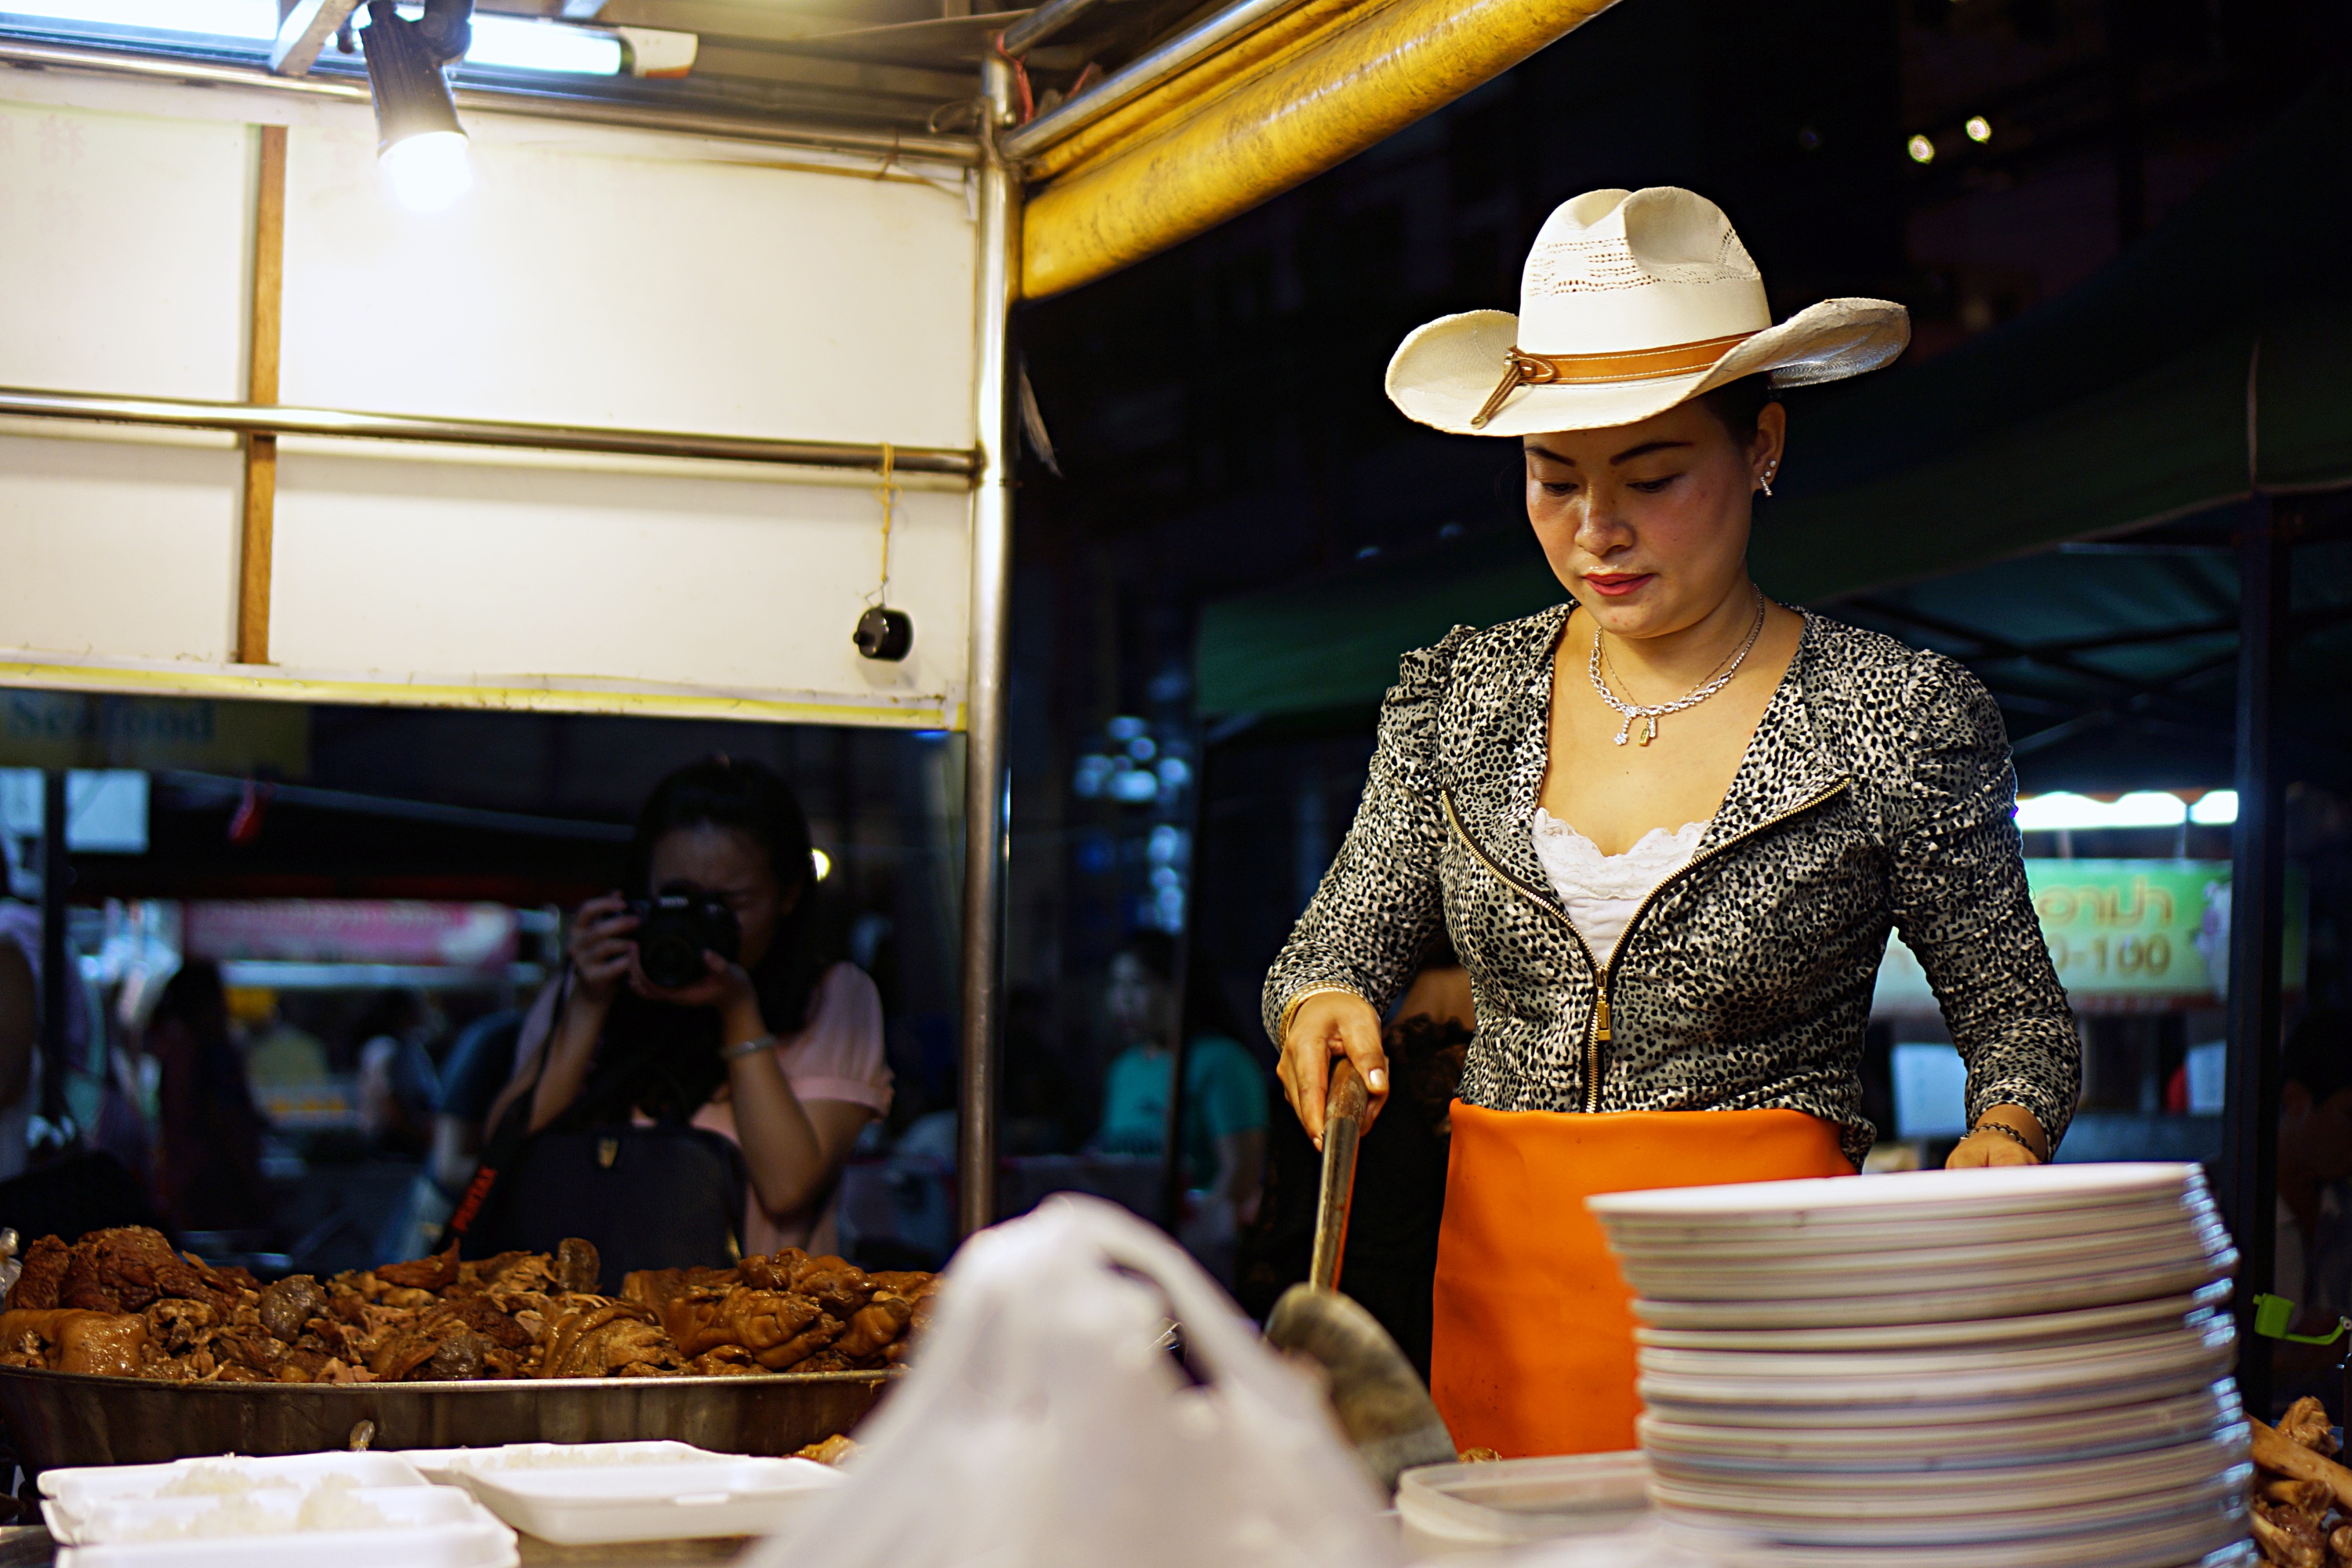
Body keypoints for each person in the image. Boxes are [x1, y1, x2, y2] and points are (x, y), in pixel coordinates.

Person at [1263, 187, 2081, 1457]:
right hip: (1504, 1296)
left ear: (1763, 447)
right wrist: (1321, 1004)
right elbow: (1338, 945)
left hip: (1774, 1311)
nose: (1598, 530)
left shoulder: (1898, 711)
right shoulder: (1456, 694)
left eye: (1652, 475)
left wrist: (2005, 1136)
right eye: (1553, 479)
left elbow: (2019, 1021)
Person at [485, 756, 890, 1261]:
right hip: (586, 1324)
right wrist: (588, 1006)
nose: (698, 922)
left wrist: (738, 1012)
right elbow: (501, 1156)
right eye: (678, 897)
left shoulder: (835, 998)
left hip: (747, 1327)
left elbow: (788, 1189)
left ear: (787, 895)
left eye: (729, 904)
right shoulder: (589, 988)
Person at [1094, 936, 1269, 1247]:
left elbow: (1239, 1175)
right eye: (1116, 985)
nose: (1124, 1000)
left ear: (1180, 989)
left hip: (1194, 1244)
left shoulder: (1222, 1061)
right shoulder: (1123, 1069)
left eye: (1139, 985)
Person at [144, 961, 270, 1233]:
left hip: (189, 1192)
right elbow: (229, 1127)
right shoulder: (209, 1054)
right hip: (215, 1194)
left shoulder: (179, 1050)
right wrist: (255, 1191)